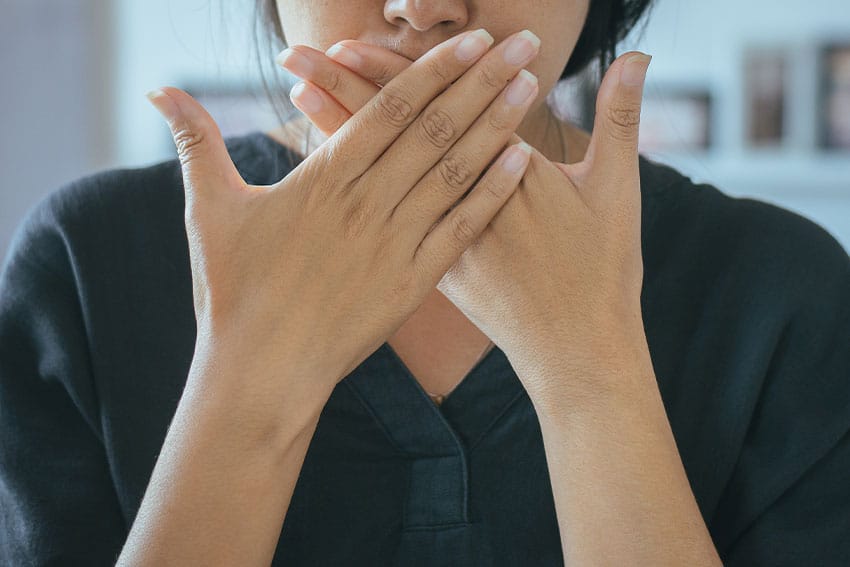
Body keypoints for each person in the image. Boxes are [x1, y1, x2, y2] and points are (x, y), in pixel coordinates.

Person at [1, 0, 849, 565]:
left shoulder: (787, 294)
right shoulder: (80, 268)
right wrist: (248, 383)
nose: (424, 2)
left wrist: (592, 377)